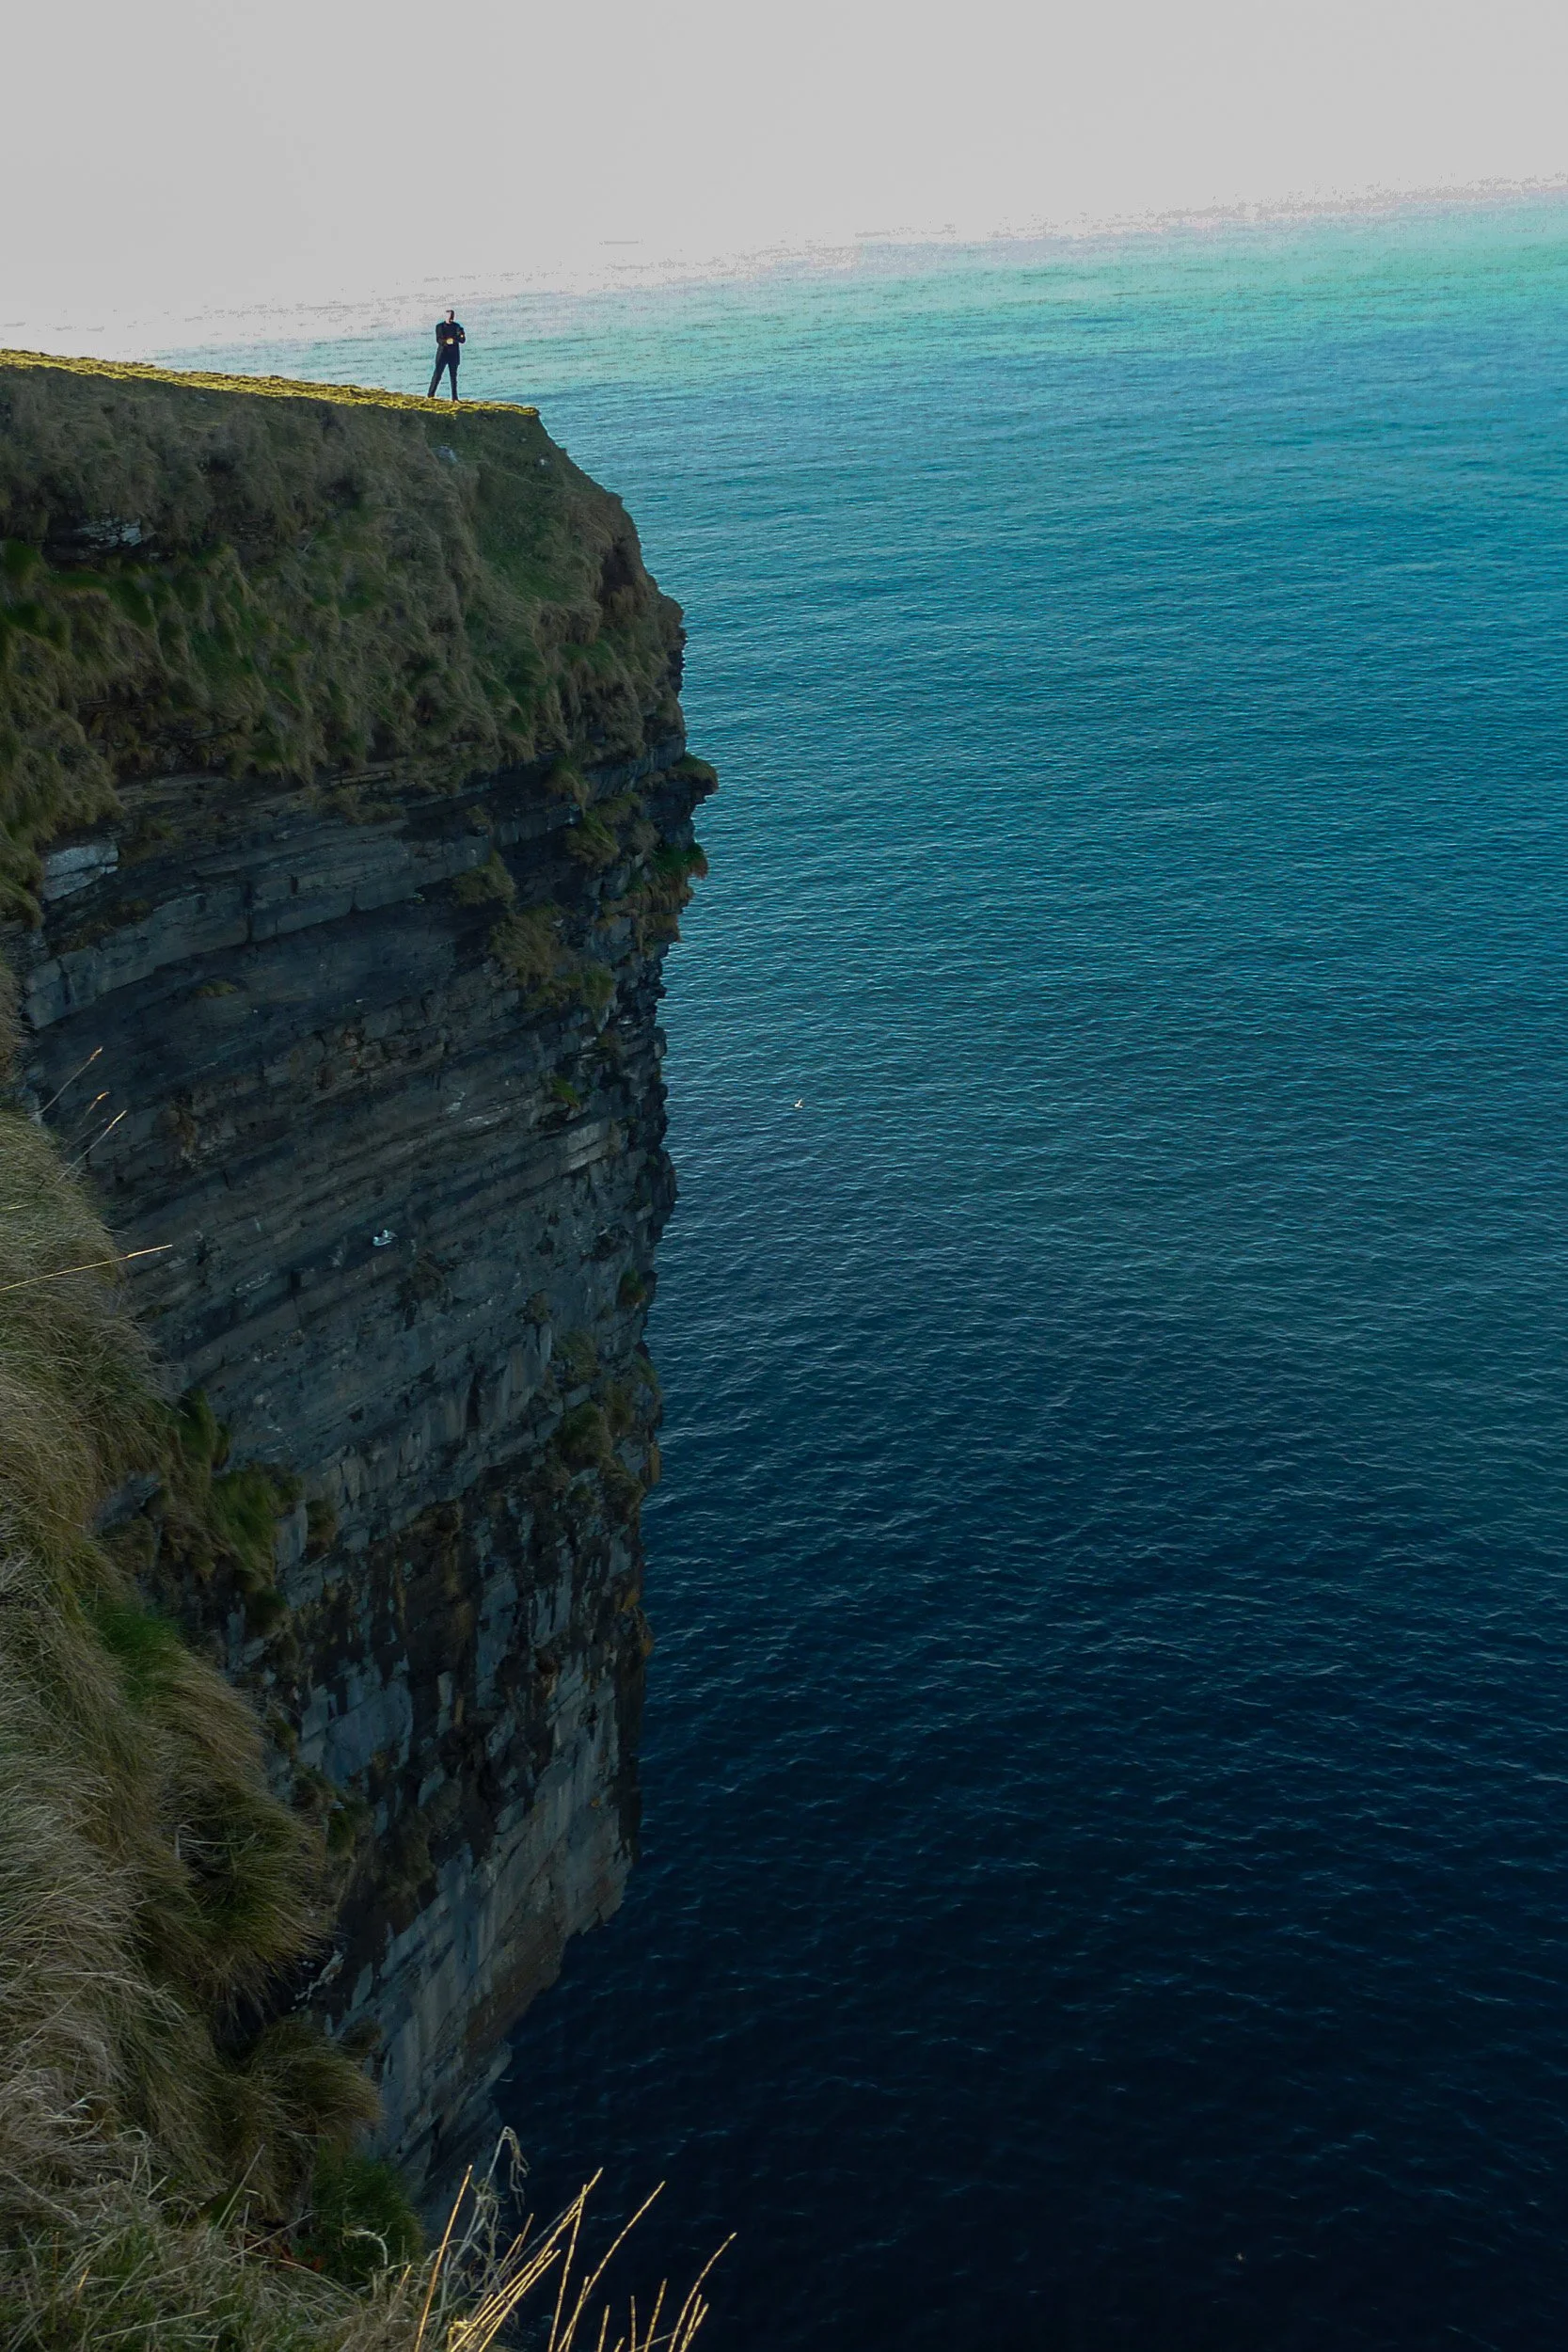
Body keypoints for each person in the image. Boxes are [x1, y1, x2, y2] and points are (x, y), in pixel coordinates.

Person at [428, 310, 466, 401]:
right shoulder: (440, 327)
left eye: (452, 316)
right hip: (442, 354)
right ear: (445, 317)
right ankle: (430, 395)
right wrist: (449, 341)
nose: (451, 318)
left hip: (453, 355)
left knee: (453, 377)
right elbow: (439, 340)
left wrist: (458, 336)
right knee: (437, 375)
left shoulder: (457, 326)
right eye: (449, 316)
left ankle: (454, 398)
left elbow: (462, 340)